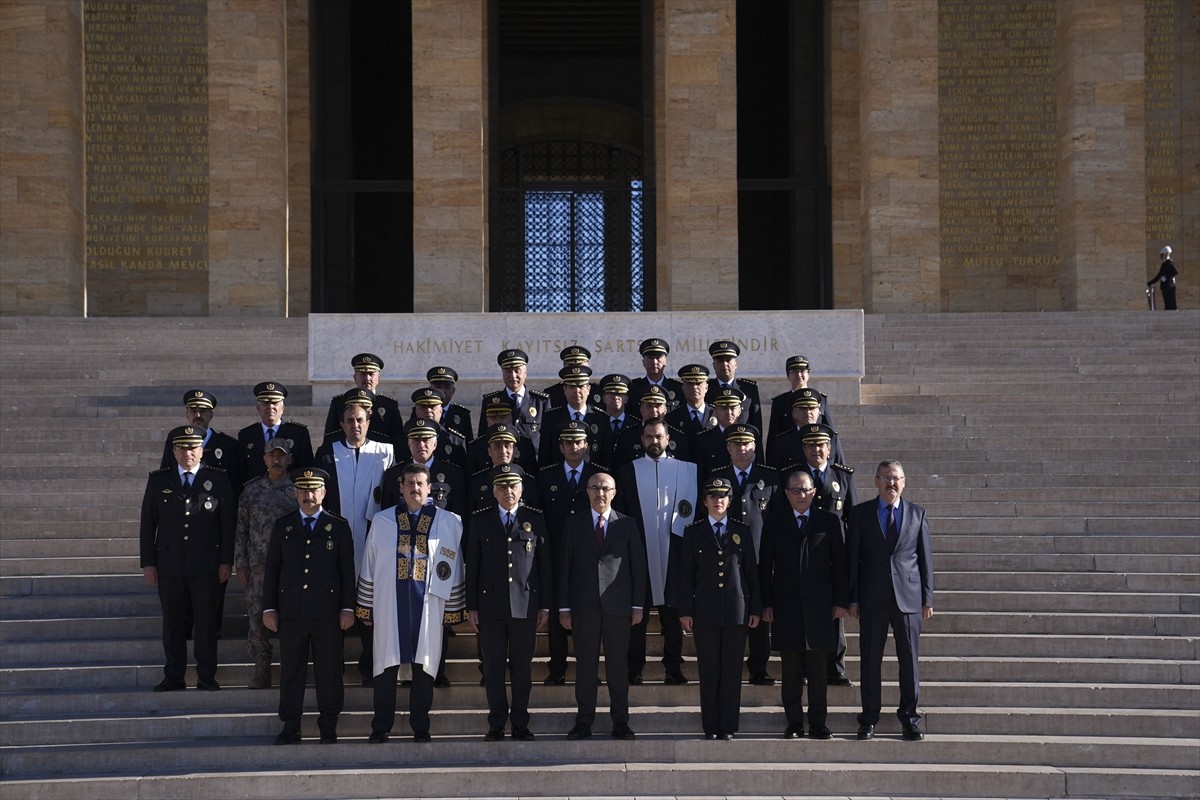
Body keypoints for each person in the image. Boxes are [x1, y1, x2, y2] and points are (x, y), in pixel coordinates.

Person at [358, 463, 466, 743]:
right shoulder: (382, 521)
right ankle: (381, 726)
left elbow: (456, 567)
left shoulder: (449, 521)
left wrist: (453, 609)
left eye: (420, 483)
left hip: (429, 607)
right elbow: (369, 565)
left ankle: (421, 725)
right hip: (388, 606)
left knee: (424, 667)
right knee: (384, 666)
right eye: (409, 484)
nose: (415, 488)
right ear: (401, 488)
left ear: (429, 488)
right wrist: (366, 605)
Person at [262, 468, 356, 744]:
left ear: (324, 493)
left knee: (329, 670)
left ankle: (329, 724)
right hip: (292, 612)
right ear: (295, 493)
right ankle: (291, 725)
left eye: (314, 490)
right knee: (292, 671)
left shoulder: (338, 526)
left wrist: (347, 608)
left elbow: (346, 571)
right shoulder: (284, 526)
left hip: (327, 614)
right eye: (303, 490)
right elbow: (273, 571)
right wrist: (269, 608)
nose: (309, 495)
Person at [139, 425, 235, 691]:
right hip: (169, 564)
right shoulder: (159, 480)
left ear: (202, 450)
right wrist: (148, 562)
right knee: (173, 623)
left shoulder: (217, 479)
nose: (187, 453)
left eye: (193, 447)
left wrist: (226, 560)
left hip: (206, 564)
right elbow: (148, 524)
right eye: (182, 448)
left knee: (205, 622)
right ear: (174, 451)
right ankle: (174, 675)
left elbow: (227, 524)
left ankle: (206, 676)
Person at [847, 460, 934, 741]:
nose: (891, 483)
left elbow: (925, 560)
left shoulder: (917, 514)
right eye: (886, 478)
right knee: (870, 660)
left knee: (909, 661)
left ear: (904, 482)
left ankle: (910, 718)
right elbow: (853, 562)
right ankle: (869, 717)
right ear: (876, 481)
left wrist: (927, 597)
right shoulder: (860, 514)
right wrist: (853, 598)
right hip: (872, 598)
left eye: (896, 478)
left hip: (908, 600)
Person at [759, 470, 848, 740]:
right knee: (791, 671)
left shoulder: (829, 522)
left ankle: (819, 723)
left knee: (819, 672)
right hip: (787, 608)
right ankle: (794, 723)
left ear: (814, 492)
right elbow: (765, 567)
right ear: (786, 493)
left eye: (805, 490)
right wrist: (766, 603)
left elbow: (840, 567)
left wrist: (840, 602)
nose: (800, 495)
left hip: (820, 609)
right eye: (795, 490)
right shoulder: (774, 522)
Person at [466, 464, 552, 741]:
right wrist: (472, 607)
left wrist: (545, 605)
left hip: (525, 606)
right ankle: (496, 722)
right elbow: (473, 567)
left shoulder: (535, 519)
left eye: (513, 486)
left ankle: (520, 722)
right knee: (493, 668)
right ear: (493, 491)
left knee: (521, 668)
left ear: (521, 489)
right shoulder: (480, 520)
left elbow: (544, 565)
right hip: (490, 607)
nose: (508, 491)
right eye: (502, 487)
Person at [314, 396, 395, 685]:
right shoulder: (326, 453)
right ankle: (333, 666)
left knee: (371, 608)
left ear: (368, 422)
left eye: (360, 420)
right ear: (341, 424)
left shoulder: (385, 451)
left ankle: (370, 666)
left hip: (374, 541)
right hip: (335, 543)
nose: (355, 425)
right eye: (349, 421)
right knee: (336, 605)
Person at [558, 471, 645, 740]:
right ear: (587, 492)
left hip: (618, 608)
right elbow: (564, 568)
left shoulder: (627, 525)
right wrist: (563, 608)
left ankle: (621, 721)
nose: (600, 493)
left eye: (605, 488)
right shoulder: (573, 524)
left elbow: (638, 568)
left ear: (614, 493)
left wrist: (638, 605)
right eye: (594, 488)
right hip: (584, 608)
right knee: (585, 667)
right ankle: (584, 721)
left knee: (618, 667)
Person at [613, 418, 697, 685]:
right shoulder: (628, 472)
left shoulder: (684, 470)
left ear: (667, 437)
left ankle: (673, 667)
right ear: (642, 439)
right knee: (637, 614)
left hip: (674, 551)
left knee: (672, 616)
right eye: (648, 437)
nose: (654, 441)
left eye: (658, 436)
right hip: (641, 553)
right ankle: (634, 667)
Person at [677, 477, 761, 740]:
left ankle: (728, 726)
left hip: (737, 611)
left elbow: (751, 574)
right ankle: (710, 726)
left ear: (730, 500)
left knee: (732, 670)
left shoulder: (742, 531)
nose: (718, 500)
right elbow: (685, 576)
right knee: (709, 670)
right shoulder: (693, 532)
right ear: (704, 502)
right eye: (712, 496)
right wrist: (685, 610)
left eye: (723, 495)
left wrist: (755, 609)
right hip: (705, 611)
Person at [536, 421, 609, 685]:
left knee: (587, 616)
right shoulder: (545, 476)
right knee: (558, 616)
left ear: (587, 445)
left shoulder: (599, 477)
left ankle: (587, 669)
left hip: (588, 557)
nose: (574, 447)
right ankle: (557, 669)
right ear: (561, 447)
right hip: (556, 555)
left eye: (579, 442)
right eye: (568, 442)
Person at [707, 424, 779, 685]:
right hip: (726, 556)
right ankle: (728, 666)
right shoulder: (717, 476)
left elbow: (775, 520)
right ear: (728, 448)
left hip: (759, 555)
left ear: (754, 448)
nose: (741, 449)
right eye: (736, 444)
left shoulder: (769, 478)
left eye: (746, 444)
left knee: (758, 611)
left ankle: (759, 666)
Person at [233, 437, 297, 689]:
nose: (276, 460)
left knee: (291, 618)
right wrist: (241, 562)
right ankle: (262, 669)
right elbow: (241, 529)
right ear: (264, 459)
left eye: (281, 455)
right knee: (257, 619)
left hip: (290, 566)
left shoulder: (298, 488)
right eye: (272, 455)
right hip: (259, 566)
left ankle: (291, 668)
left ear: (289, 458)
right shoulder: (252, 490)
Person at [159, 389, 242, 493]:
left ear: (211, 415)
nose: (198, 415)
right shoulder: (174, 443)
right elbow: (165, 476)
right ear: (187, 414)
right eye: (193, 411)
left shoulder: (228, 445)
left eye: (202, 411)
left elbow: (234, 484)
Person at [237, 382, 314, 482]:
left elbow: (306, 468)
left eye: (275, 403)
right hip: (256, 494)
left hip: (289, 494)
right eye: (265, 403)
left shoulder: (298, 434)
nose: (270, 407)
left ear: (282, 408)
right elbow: (240, 472)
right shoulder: (246, 435)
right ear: (258, 408)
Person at [321, 353, 403, 445]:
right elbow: (330, 436)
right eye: (363, 374)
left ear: (378, 378)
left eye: (371, 374)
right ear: (355, 377)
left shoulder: (389, 405)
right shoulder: (340, 402)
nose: (367, 378)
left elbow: (398, 439)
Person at [479, 348, 549, 452]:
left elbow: (548, 437)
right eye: (508, 371)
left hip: (533, 462)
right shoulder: (490, 402)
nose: (513, 376)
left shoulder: (541, 402)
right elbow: (483, 436)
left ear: (525, 373)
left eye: (517, 371)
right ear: (503, 374)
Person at [538, 364, 607, 467]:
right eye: (572, 386)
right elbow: (545, 455)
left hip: (593, 478)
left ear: (588, 389)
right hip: (560, 478)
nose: (577, 390)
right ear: (565, 390)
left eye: (581, 386)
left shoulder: (601, 418)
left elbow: (606, 457)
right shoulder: (551, 417)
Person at [767, 356, 834, 440]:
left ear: (808, 374)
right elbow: (773, 435)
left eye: (802, 371)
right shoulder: (780, 402)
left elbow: (831, 432)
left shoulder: (821, 399)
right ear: (788, 376)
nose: (798, 375)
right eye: (794, 371)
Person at [707, 340, 762, 432]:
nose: (724, 364)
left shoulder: (749, 390)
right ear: (714, 365)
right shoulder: (707, 390)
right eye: (720, 361)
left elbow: (756, 425)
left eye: (728, 360)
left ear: (736, 364)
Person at [665, 364, 715, 454]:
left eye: (699, 383)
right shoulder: (671, 418)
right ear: (683, 388)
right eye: (690, 383)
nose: (694, 387)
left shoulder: (717, 414)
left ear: (706, 387)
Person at [629, 338, 683, 413]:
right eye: (650, 358)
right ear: (643, 362)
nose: (654, 362)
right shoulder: (633, 388)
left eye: (658, 357)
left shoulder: (678, 388)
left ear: (666, 361)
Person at [543, 346, 603, 410]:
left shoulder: (599, 392)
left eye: (580, 366)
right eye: (571, 367)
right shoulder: (552, 394)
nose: (576, 370)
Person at [426, 365, 473, 436]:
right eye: (438, 387)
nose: (442, 391)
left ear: (453, 391)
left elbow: (468, 443)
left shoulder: (462, 414)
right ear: (430, 390)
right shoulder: (422, 411)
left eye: (446, 387)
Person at [1148, 245, 1179, 310]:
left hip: (1170, 286)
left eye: (1162, 254)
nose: (1161, 256)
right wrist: (1150, 283)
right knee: (1167, 302)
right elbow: (1159, 275)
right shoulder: (1164, 264)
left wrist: (1166, 277)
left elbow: (1175, 272)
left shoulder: (1169, 262)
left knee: (1171, 302)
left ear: (1166, 254)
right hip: (1165, 286)